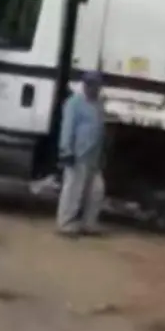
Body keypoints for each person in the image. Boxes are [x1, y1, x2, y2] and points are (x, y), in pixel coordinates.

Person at [56, 70, 107, 237]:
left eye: (97, 86)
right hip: (77, 153)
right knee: (73, 190)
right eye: (91, 85)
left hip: (93, 155)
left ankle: (89, 223)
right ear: (85, 85)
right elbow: (67, 128)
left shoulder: (99, 104)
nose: (94, 89)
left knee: (96, 191)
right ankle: (65, 223)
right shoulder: (74, 103)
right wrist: (66, 150)